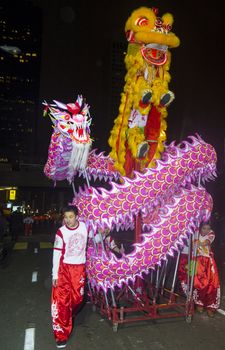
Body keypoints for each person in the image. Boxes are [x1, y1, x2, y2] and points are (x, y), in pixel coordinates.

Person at [51, 205, 88, 349]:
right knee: (62, 302)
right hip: (64, 269)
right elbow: (56, 254)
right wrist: (55, 274)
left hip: (79, 269)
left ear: (77, 217)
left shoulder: (85, 227)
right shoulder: (61, 232)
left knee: (78, 299)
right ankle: (61, 335)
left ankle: (68, 315)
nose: (68, 220)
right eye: (65, 217)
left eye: (71, 217)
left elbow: (95, 237)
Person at [178, 222, 220, 317]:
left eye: (208, 228)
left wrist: (197, 242)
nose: (206, 230)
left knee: (212, 284)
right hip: (195, 260)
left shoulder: (211, 233)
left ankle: (210, 306)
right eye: (204, 228)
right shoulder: (195, 232)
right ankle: (199, 303)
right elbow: (192, 244)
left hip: (208, 262)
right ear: (200, 228)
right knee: (195, 282)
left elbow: (206, 242)